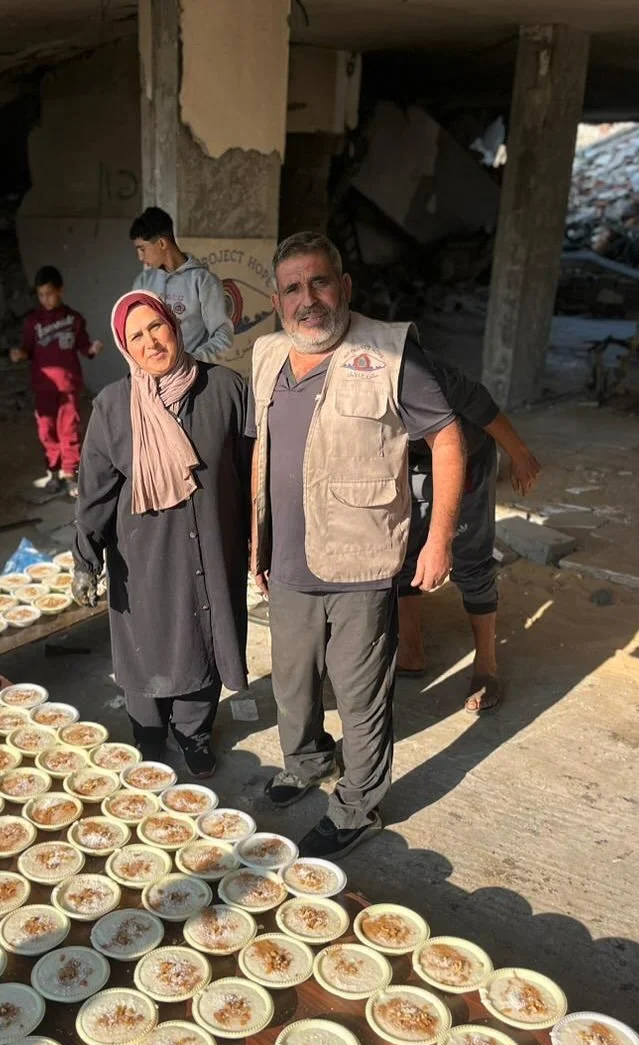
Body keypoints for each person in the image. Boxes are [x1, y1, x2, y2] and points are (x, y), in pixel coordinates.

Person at [249, 231, 466, 858]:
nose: (307, 299)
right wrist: (253, 544)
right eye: (293, 288)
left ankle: (357, 806)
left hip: (361, 560)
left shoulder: (392, 351)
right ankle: (306, 761)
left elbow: (448, 440)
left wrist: (439, 539)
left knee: (361, 691)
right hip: (287, 560)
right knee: (290, 680)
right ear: (277, 299)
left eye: (319, 282)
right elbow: (259, 453)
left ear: (344, 287)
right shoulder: (267, 354)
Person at [71, 290, 252, 778]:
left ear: (174, 326)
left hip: (214, 546)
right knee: (145, 641)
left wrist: (260, 545)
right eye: (137, 335)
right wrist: (85, 558)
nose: (150, 341)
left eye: (157, 327)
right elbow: (95, 492)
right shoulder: (112, 406)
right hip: (142, 554)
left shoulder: (227, 389)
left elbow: (250, 475)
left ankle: (193, 731)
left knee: (204, 633)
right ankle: (147, 732)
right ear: (125, 347)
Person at [397, 359, 542, 712]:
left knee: (469, 557)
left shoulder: (419, 370)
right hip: (409, 458)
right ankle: (411, 649)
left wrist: (519, 453)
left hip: (468, 454)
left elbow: (481, 404)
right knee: (400, 551)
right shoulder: (338, 376)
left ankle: (486, 665)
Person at [10, 266, 103, 499]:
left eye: (49, 293)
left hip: (69, 384)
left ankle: (70, 473)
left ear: (60, 291)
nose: (45, 299)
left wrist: (92, 349)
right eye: (41, 295)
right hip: (43, 386)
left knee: (69, 429)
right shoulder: (33, 321)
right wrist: (19, 354)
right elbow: (26, 348)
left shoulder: (74, 319)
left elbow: (84, 346)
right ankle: (53, 472)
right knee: (46, 429)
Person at [130, 207, 234, 363]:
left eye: (142, 249)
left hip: (192, 376)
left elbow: (223, 335)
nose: (140, 257)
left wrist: (191, 361)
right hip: (153, 376)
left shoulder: (203, 281)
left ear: (162, 243)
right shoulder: (144, 282)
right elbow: (133, 331)